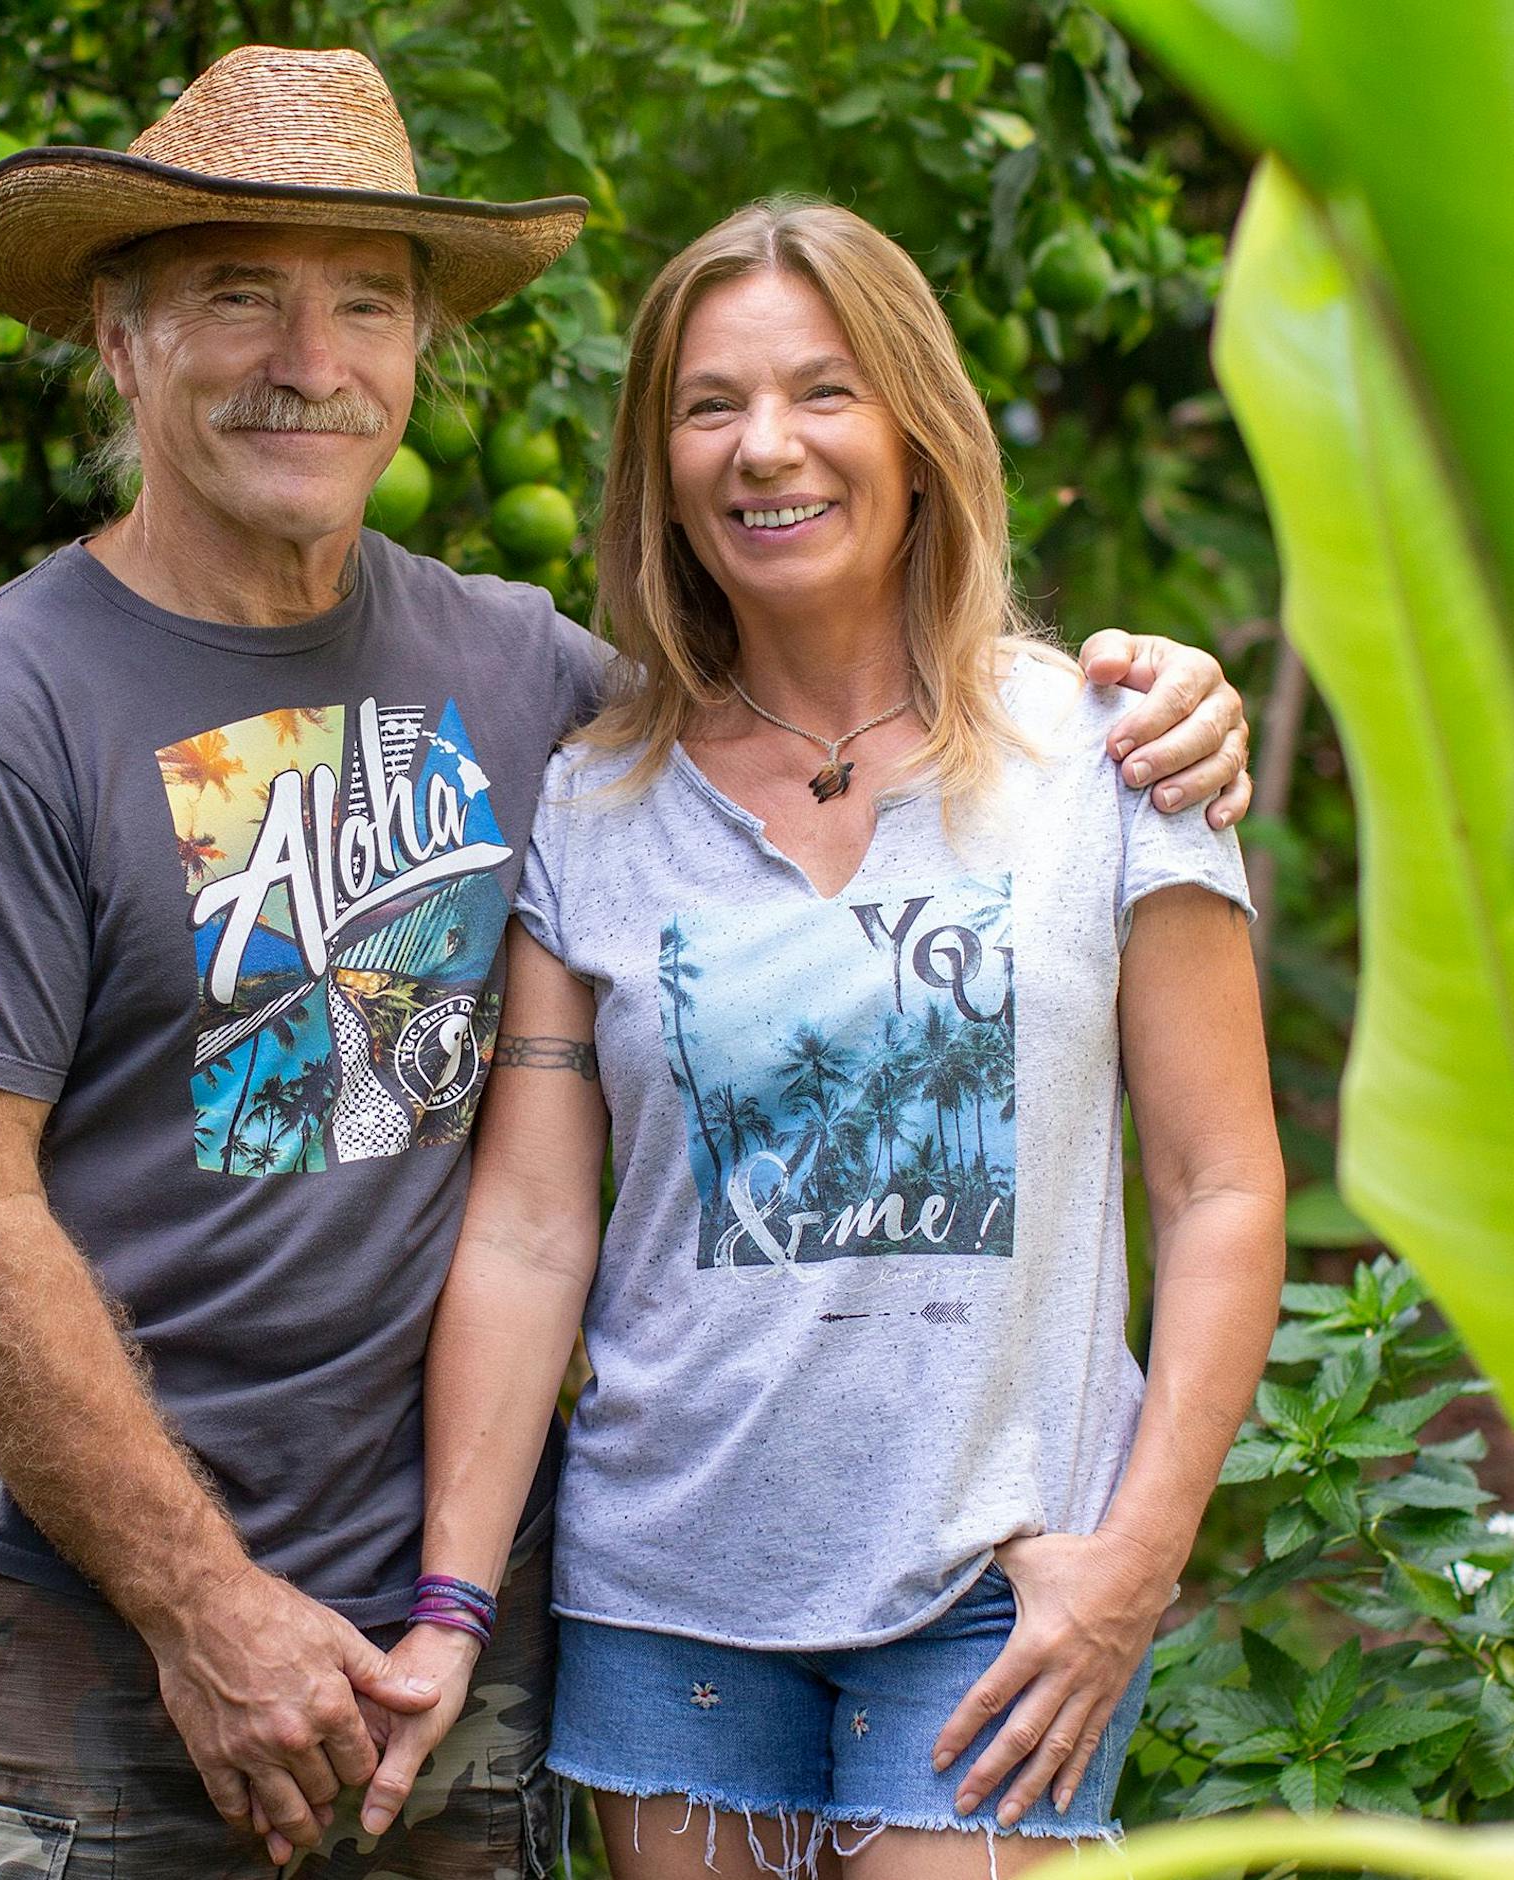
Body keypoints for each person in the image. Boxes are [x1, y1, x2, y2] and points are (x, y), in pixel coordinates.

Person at [0, 39, 1255, 1879]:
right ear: (121, 336)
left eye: (365, 302)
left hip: (463, 1628)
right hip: (103, 1621)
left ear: (421, 351)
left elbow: (796, 725)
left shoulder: (531, 690)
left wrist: (1160, 696)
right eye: (239, 295)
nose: (309, 357)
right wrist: (203, 1606)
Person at [374, 199, 1285, 1880]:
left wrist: (1137, 1561)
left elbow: (1221, 1187)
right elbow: (529, 1230)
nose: (764, 447)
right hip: (667, 1601)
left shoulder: (1111, 756)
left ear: (920, 436)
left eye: (823, 391)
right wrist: (452, 1602)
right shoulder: (596, 797)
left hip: (1003, 1586)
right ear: (660, 473)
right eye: (710, 406)